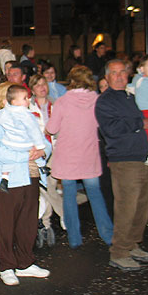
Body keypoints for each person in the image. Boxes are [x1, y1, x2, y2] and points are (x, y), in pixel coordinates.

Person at [95, 60, 148, 271]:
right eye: (114, 73)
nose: (120, 76)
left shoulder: (131, 97)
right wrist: (141, 123)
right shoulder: (104, 101)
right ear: (107, 77)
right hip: (124, 159)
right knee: (126, 207)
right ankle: (120, 251)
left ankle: (132, 244)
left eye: (123, 72)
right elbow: (111, 129)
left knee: (142, 205)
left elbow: (144, 121)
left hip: (141, 157)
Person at [0, 84, 50, 286]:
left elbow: (43, 142)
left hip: (30, 176)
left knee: (28, 222)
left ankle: (25, 262)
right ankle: (6, 266)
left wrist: (42, 152)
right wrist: (25, 155)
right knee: (7, 225)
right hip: (8, 181)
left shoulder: (27, 120)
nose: (26, 103)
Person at [46, 66, 113, 248]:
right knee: (95, 195)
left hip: (68, 156)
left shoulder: (62, 102)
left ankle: (74, 238)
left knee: (69, 195)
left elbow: (51, 128)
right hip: (89, 155)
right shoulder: (97, 101)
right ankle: (108, 235)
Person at [28, 74, 62, 244]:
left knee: (50, 186)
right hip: (38, 151)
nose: (42, 87)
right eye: (38, 85)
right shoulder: (28, 106)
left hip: (55, 150)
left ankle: (54, 218)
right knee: (45, 187)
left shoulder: (56, 104)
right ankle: (51, 221)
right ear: (32, 89)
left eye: (44, 84)